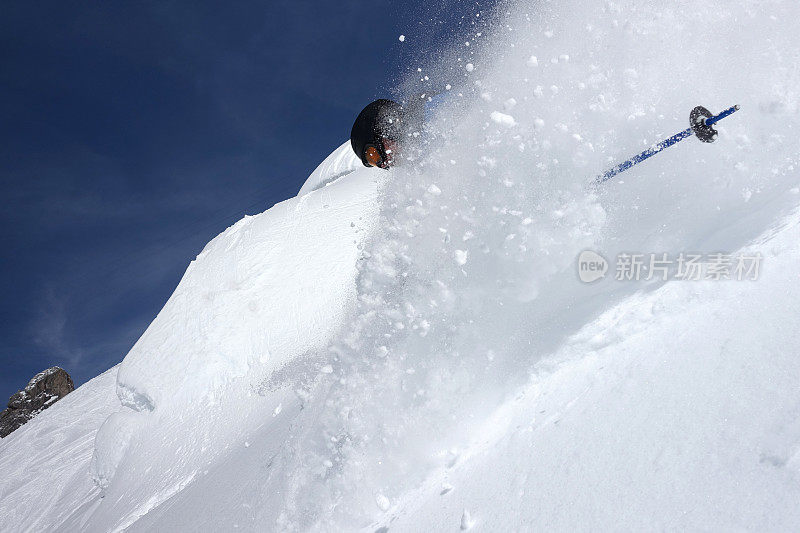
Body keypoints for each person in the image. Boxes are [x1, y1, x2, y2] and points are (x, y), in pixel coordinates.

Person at [350, 98, 426, 169]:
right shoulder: (420, 163)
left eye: (375, 155)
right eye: (373, 161)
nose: (384, 165)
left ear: (390, 130)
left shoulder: (432, 117)